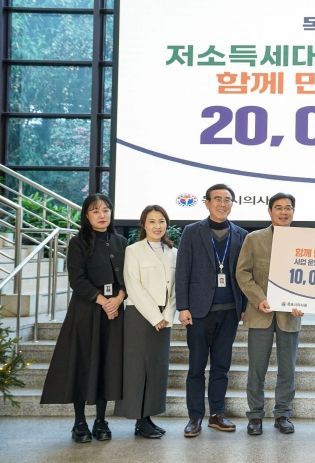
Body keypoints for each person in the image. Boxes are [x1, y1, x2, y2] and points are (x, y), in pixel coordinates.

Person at [40, 193, 127, 443]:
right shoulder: (78, 242)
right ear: (86, 216)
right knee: (83, 364)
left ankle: (101, 420)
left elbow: (129, 277)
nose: (102, 215)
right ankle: (79, 422)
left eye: (106, 210)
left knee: (107, 365)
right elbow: (76, 280)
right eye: (95, 211)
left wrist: (118, 299)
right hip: (86, 313)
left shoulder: (121, 242)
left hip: (114, 312)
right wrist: (104, 302)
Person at [176, 184, 248, 437]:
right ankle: (195, 417)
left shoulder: (241, 234)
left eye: (227, 199)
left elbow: (244, 273)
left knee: (221, 366)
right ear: (206, 203)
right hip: (198, 311)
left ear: (232, 204)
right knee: (196, 367)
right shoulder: (192, 232)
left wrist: (243, 307)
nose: (222, 204)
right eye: (217, 199)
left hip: (229, 311)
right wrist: (182, 307)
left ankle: (217, 414)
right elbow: (182, 270)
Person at [236, 193, 304, 436]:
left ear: (293, 211)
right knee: (257, 368)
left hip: (290, 315)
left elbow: (309, 277)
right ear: (270, 211)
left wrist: (303, 301)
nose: (284, 212)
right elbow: (243, 273)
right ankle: (255, 416)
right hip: (260, 313)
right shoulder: (254, 239)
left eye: (288, 208)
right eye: (278, 208)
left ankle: (283, 414)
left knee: (287, 368)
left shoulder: (304, 240)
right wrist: (259, 298)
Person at [115, 205, 177, 438]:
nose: (157, 226)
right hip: (140, 316)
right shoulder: (133, 250)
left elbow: (176, 288)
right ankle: (139, 420)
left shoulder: (174, 251)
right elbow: (133, 285)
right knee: (138, 369)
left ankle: (148, 417)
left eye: (161, 221)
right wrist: (155, 317)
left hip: (164, 317)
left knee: (157, 369)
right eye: (152, 221)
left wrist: (167, 316)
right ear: (143, 225)